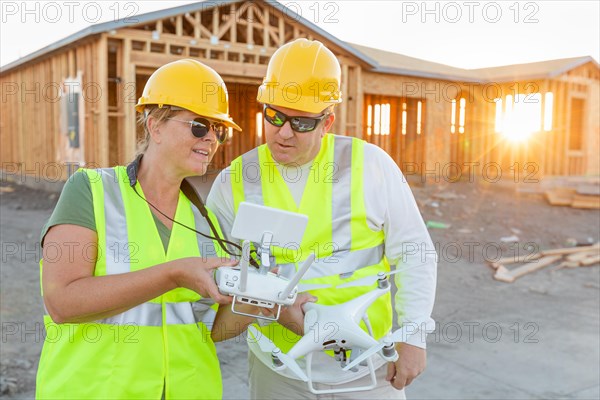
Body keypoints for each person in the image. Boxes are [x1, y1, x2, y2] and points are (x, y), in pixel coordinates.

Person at [207, 38, 437, 399]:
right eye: (274, 115)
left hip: (367, 367)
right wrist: (274, 307)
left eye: (301, 122)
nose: (283, 132)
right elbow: (224, 271)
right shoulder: (233, 181)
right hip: (278, 368)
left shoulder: (370, 166)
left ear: (327, 122)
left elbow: (413, 251)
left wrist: (413, 335)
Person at [36, 59, 242, 399]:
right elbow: (61, 301)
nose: (211, 139)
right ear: (155, 126)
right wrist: (173, 274)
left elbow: (206, 328)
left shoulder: (207, 223)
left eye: (219, 130)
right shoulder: (92, 190)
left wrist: (257, 304)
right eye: (199, 126)